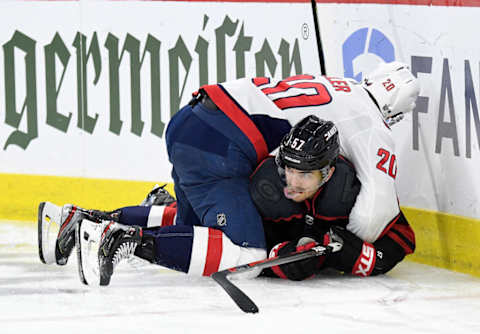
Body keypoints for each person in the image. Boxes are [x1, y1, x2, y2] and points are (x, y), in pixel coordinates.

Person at [38, 61, 419, 285]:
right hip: (222, 145)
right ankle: (119, 238)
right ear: (395, 111)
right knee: (245, 250)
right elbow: (374, 212)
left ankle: (82, 219)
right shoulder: (374, 126)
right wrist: (341, 248)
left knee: (199, 228)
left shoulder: (338, 85)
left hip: (193, 118)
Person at [248, 115, 415, 280]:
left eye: (305, 174)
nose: (294, 183)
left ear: (328, 174)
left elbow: (404, 236)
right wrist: (280, 256)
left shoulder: (350, 189)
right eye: (289, 169)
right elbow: (247, 245)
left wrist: (360, 256)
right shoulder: (265, 184)